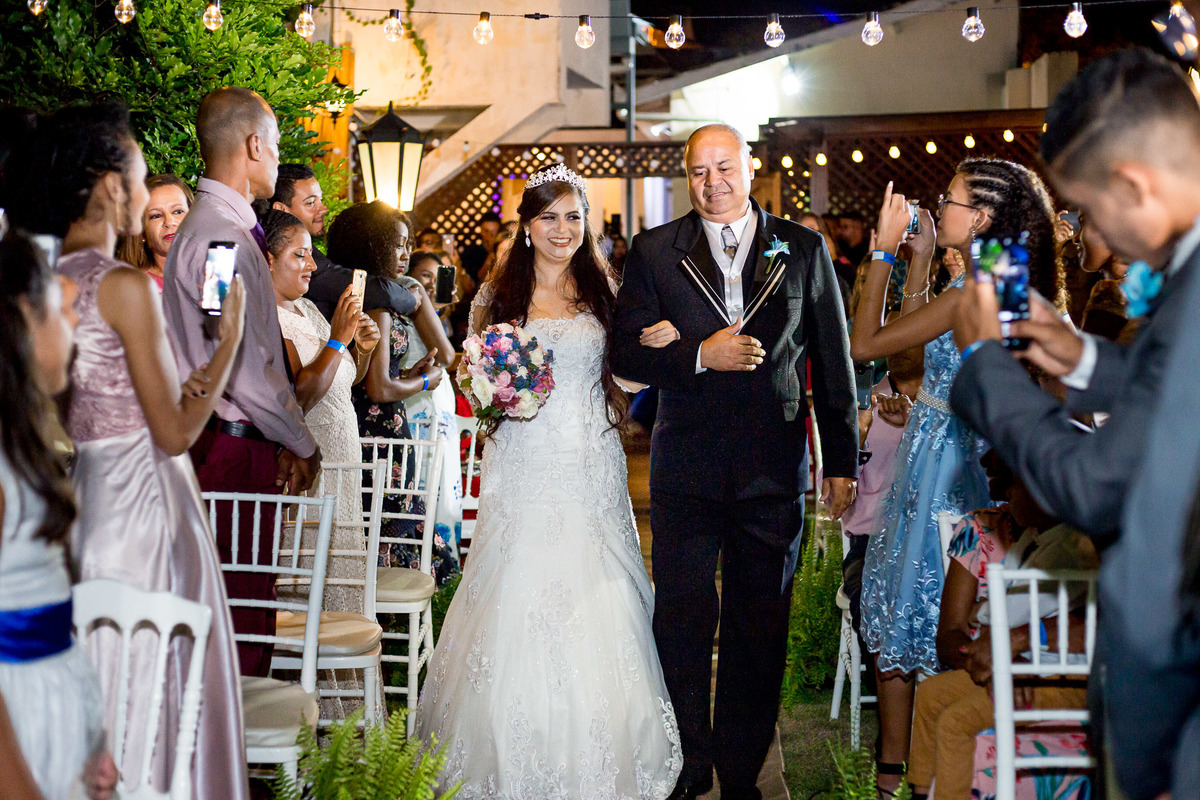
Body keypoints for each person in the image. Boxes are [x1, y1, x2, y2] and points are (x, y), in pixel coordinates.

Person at [948, 49, 1200, 799]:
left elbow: (1093, 485)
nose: (1090, 231)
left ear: (1134, 185)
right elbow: (1176, 389)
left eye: (1089, 210)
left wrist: (986, 364)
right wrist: (1079, 354)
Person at [415, 162, 683, 798]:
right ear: (528, 226)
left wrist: (661, 345)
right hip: (526, 462)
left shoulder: (605, 290)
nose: (563, 229)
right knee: (519, 585)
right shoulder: (499, 298)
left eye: (573, 217)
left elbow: (622, 376)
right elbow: (471, 379)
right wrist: (494, 390)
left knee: (600, 594)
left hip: (590, 461)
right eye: (549, 217)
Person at [613, 124, 859, 800]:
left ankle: (742, 768)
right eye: (699, 171)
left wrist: (841, 461)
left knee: (761, 622)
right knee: (683, 615)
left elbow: (832, 359)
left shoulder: (801, 247)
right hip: (686, 465)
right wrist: (697, 353)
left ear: (749, 168)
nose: (712, 182)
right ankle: (689, 761)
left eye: (724, 167)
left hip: (771, 466)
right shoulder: (656, 250)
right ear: (687, 178)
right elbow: (625, 353)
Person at [29, 102, 250, 798]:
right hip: (148, 504)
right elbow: (175, 432)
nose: (143, 186)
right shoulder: (123, 285)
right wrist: (228, 344)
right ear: (109, 185)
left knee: (102, 678)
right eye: (137, 172)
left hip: (86, 499)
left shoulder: (42, 279)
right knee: (156, 686)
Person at [850, 158, 1063, 795]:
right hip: (952, 454)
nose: (939, 207)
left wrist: (884, 252)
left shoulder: (973, 292)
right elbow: (915, 360)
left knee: (918, 610)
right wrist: (919, 260)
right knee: (920, 613)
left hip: (950, 464)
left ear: (982, 219)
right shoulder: (1006, 282)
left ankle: (912, 777)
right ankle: (912, 772)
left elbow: (866, 345)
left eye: (950, 200)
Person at [163, 87, 321, 678]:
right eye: (275, 146)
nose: (278, 158)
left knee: (244, 603)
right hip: (229, 449)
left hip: (230, 444)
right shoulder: (220, 239)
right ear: (254, 145)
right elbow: (232, 355)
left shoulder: (224, 228)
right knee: (239, 611)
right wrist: (301, 440)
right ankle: (238, 733)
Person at [0, 233, 118, 800]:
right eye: (62, 306)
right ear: (24, 316)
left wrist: (86, 737)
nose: (74, 321)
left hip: (50, 701)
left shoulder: (20, 438)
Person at [265, 208, 381, 720]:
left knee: (342, 586)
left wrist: (362, 350)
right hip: (312, 473)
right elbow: (300, 396)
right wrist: (337, 339)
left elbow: (341, 383)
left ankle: (349, 719)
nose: (312, 265)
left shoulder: (309, 309)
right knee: (314, 590)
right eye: (300, 255)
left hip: (341, 469)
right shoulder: (268, 320)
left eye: (311, 254)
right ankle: (313, 719)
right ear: (267, 260)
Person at [327, 202, 458, 582]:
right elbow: (380, 388)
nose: (405, 254)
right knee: (386, 521)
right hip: (377, 430)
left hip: (377, 423)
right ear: (371, 245)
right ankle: (387, 601)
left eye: (408, 245)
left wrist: (407, 373)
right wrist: (424, 382)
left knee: (384, 520)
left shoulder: (369, 293)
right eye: (397, 244)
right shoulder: (379, 302)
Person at [267, 163, 421, 323]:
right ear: (281, 209)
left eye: (321, 200)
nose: (323, 209)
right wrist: (409, 298)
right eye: (311, 203)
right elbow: (363, 288)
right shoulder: (286, 253)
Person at [403, 251, 464, 553]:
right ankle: (425, 555)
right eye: (425, 275)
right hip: (416, 399)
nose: (429, 283)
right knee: (423, 474)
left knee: (443, 473)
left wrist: (437, 311)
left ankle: (442, 557)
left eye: (436, 276)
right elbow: (445, 355)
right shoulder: (408, 301)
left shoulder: (430, 312)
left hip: (439, 395)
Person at [117, 174, 192, 292]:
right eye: (156, 216)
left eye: (178, 211)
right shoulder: (131, 288)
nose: (169, 222)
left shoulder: (216, 274)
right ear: (141, 233)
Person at [459, 210, 501, 281]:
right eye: (486, 231)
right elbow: (476, 280)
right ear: (481, 231)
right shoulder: (472, 253)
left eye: (494, 232)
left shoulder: (503, 252)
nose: (490, 235)